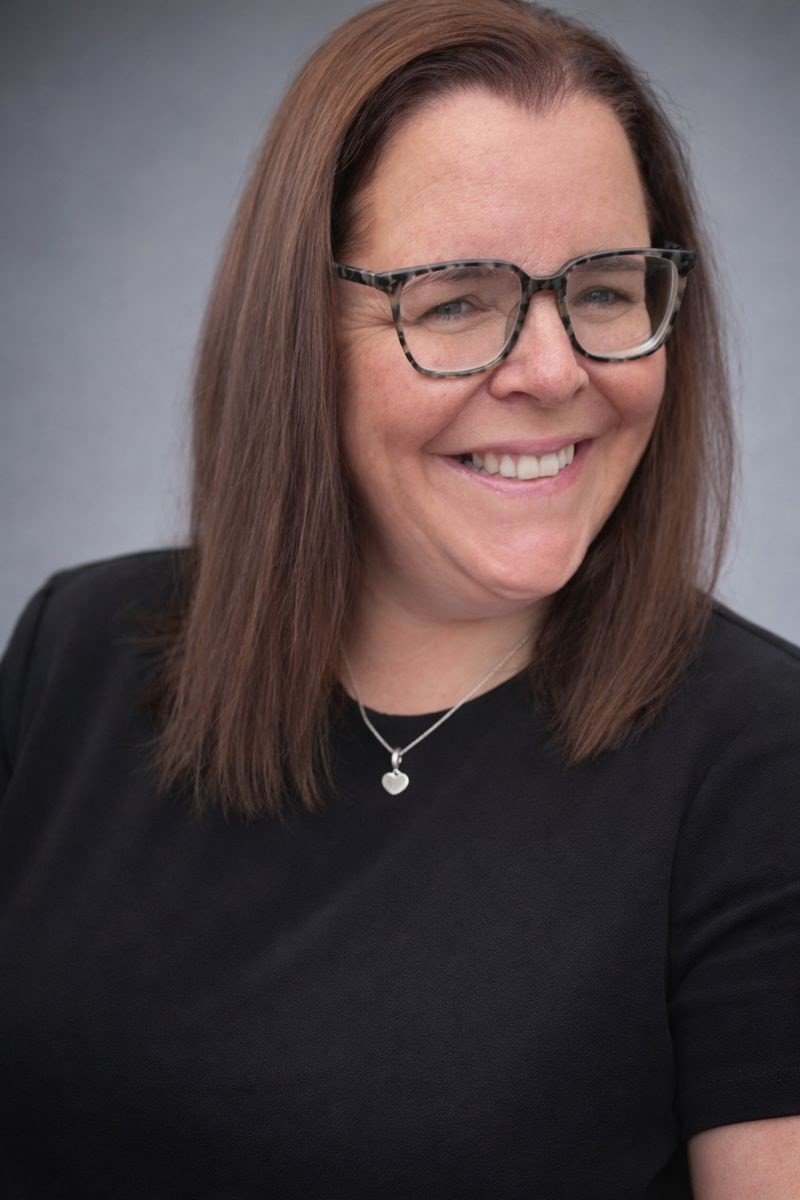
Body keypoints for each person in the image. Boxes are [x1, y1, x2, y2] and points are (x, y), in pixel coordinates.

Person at [1, 0, 798, 1195]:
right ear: (298, 336)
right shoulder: (75, 650)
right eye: (456, 300)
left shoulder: (760, 759)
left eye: (602, 290)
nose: (550, 372)